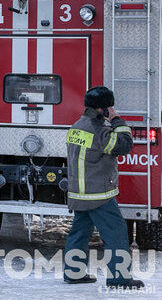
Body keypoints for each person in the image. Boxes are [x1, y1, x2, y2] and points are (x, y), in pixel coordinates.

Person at [63, 85, 144, 289]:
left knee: (79, 233)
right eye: (109, 107)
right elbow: (124, 145)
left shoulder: (77, 126)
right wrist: (117, 120)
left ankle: (74, 273)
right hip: (98, 194)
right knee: (116, 232)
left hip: (79, 193)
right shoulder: (98, 131)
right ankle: (120, 277)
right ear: (103, 109)